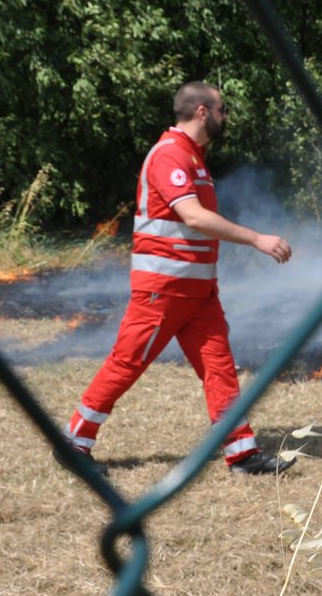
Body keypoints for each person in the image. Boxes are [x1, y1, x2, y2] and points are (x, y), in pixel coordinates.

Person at [65, 81, 295, 475]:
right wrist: (257, 238)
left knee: (219, 367)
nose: (226, 117)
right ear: (202, 112)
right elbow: (193, 217)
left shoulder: (194, 158)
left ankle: (242, 454)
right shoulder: (170, 155)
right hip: (163, 291)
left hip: (198, 292)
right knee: (127, 364)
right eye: (222, 110)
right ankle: (73, 444)